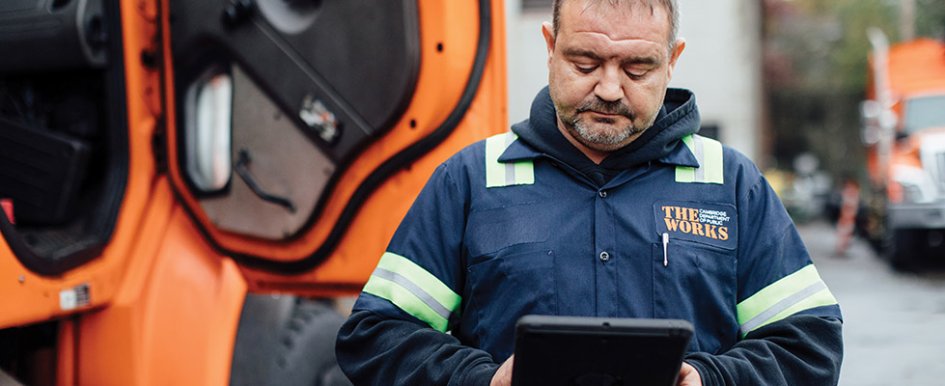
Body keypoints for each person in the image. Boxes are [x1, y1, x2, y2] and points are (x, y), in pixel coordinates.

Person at [335, 0, 844, 385]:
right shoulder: (471, 181)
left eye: (637, 68)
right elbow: (374, 338)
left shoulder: (730, 185)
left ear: (673, 61)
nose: (608, 88)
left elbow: (810, 344)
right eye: (584, 62)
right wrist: (480, 379)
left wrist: (712, 380)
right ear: (549, 47)